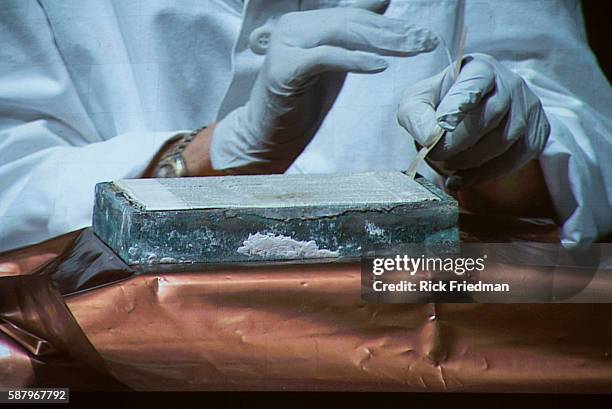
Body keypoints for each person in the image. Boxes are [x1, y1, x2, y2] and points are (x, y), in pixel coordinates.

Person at [0, 0, 610, 252]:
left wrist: (502, 160)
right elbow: (12, 181)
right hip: (113, 373)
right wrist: (216, 156)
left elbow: (585, 139)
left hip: (428, 341)